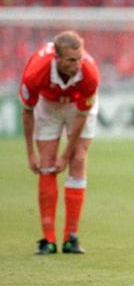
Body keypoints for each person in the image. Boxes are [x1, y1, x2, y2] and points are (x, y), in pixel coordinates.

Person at [19, 30, 100, 255]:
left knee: (78, 159)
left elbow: (82, 116)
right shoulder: (35, 73)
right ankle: (48, 240)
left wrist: (66, 154)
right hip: (48, 103)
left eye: (79, 58)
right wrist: (30, 153)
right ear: (57, 58)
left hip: (78, 106)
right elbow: (27, 112)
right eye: (71, 60)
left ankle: (70, 238)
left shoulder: (90, 74)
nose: (77, 65)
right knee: (46, 163)